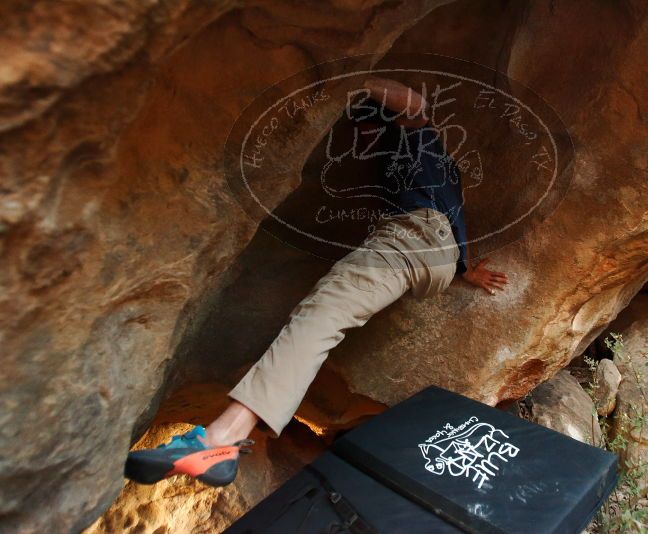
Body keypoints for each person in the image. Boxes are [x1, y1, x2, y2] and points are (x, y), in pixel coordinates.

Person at [125, 78, 509, 487]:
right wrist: (465, 268)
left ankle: (220, 438)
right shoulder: (427, 164)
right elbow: (446, 211)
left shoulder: (415, 137)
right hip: (434, 257)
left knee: (321, 316)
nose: (362, 137)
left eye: (367, 127)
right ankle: (220, 439)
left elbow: (414, 104)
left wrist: (356, 74)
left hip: (412, 240)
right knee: (325, 313)